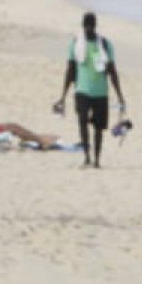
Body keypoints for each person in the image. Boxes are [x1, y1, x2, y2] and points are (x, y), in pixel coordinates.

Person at [57, 11, 127, 169]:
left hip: (100, 92)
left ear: (95, 26)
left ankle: (97, 160)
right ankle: (87, 156)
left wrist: (119, 95)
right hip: (82, 90)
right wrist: (63, 95)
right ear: (83, 26)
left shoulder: (105, 45)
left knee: (98, 127)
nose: (88, 29)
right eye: (86, 26)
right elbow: (70, 70)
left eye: (91, 26)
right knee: (82, 122)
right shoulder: (76, 43)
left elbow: (112, 70)